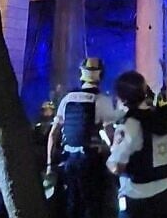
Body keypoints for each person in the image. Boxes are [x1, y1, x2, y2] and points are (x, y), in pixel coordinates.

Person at [47, 57, 119, 218]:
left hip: (68, 162)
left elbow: (53, 134)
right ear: (101, 75)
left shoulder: (67, 99)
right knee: (93, 207)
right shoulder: (102, 100)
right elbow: (110, 135)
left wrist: (49, 165)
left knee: (72, 206)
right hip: (91, 163)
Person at [106, 71, 167, 218]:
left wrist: (112, 148)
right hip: (166, 195)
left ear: (122, 98)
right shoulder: (162, 117)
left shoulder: (130, 124)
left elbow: (116, 167)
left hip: (137, 197)